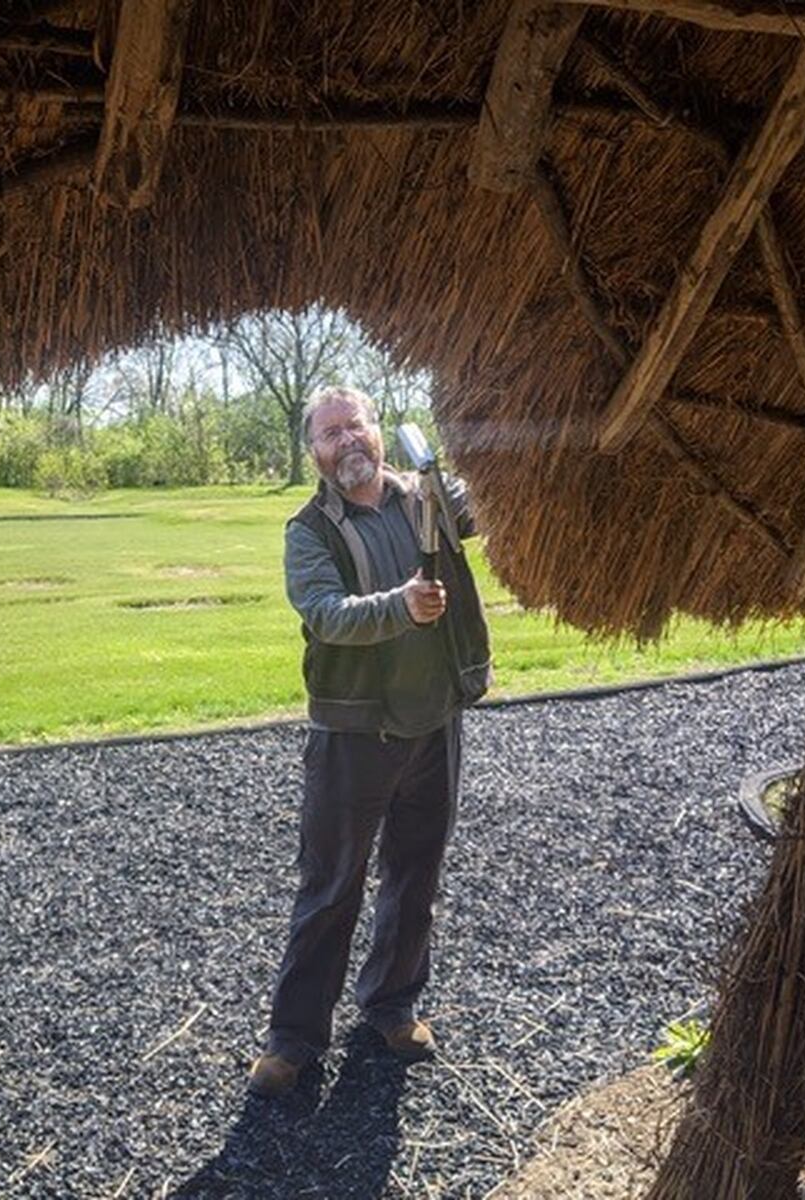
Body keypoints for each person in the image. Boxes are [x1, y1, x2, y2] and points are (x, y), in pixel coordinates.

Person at [248, 385, 493, 1098]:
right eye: (329, 434)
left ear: (377, 430)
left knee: (415, 874)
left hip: (434, 720)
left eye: (354, 425)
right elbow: (325, 613)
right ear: (315, 453)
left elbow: (507, 511)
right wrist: (400, 606)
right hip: (352, 734)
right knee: (330, 888)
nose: (346, 441)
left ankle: (392, 1005)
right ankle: (293, 1041)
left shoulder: (428, 497)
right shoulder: (308, 529)